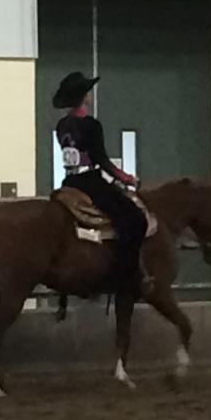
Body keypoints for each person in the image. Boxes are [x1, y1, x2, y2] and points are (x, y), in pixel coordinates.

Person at [53, 71, 150, 295]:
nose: (90, 95)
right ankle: (126, 275)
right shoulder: (92, 125)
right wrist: (128, 178)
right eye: (87, 92)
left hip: (69, 181)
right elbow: (102, 160)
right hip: (90, 181)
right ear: (82, 96)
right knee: (135, 219)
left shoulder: (62, 125)